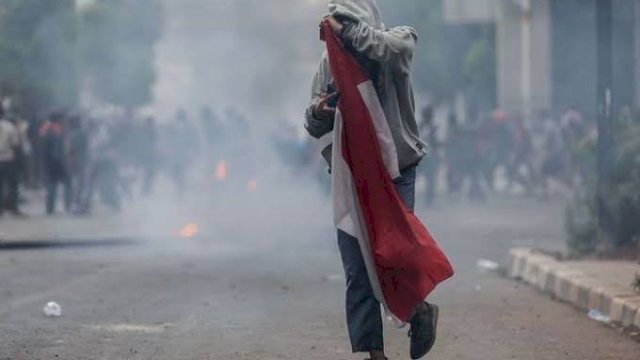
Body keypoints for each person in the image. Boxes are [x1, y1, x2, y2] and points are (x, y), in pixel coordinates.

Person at [305, 1, 440, 359]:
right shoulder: (329, 63)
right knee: (357, 265)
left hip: (396, 167)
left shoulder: (399, 39)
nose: (341, 31)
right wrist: (322, 109)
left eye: (350, 22)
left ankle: (419, 311)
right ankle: (374, 354)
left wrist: (347, 31)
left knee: (394, 254)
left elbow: (385, 50)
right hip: (353, 174)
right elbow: (311, 117)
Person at [39, 111, 72, 215]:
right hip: (58, 162)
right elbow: (57, 149)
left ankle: (50, 208)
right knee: (67, 184)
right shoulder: (56, 131)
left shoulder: (46, 130)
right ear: (58, 120)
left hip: (50, 162)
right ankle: (68, 206)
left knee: (52, 185)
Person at [0, 106, 22, 217]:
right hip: (8, 158)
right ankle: (13, 208)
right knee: (12, 184)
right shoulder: (9, 127)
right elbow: (15, 144)